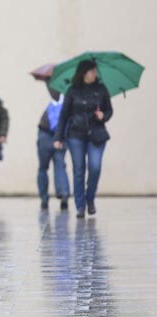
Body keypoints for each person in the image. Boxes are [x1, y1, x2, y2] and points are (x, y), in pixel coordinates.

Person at [53, 60, 112, 218]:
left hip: (96, 134)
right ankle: (80, 206)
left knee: (95, 167)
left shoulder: (101, 89)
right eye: (92, 71)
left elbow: (109, 110)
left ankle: (90, 198)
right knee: (79, 170)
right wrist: (58, 137)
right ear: (84, 73)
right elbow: (63, 116)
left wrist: (103, 116)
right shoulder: (72, 91)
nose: (95, 74)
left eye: (95, 71)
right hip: (76, 135)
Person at [37, 85, 70, 211]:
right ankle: (62, 194)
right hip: (56, 134)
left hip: (52, 133)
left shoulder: (64, 93)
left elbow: (52, 86)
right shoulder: (69, 94)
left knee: (47, 167)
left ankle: (49, 197)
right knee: (58, 164)